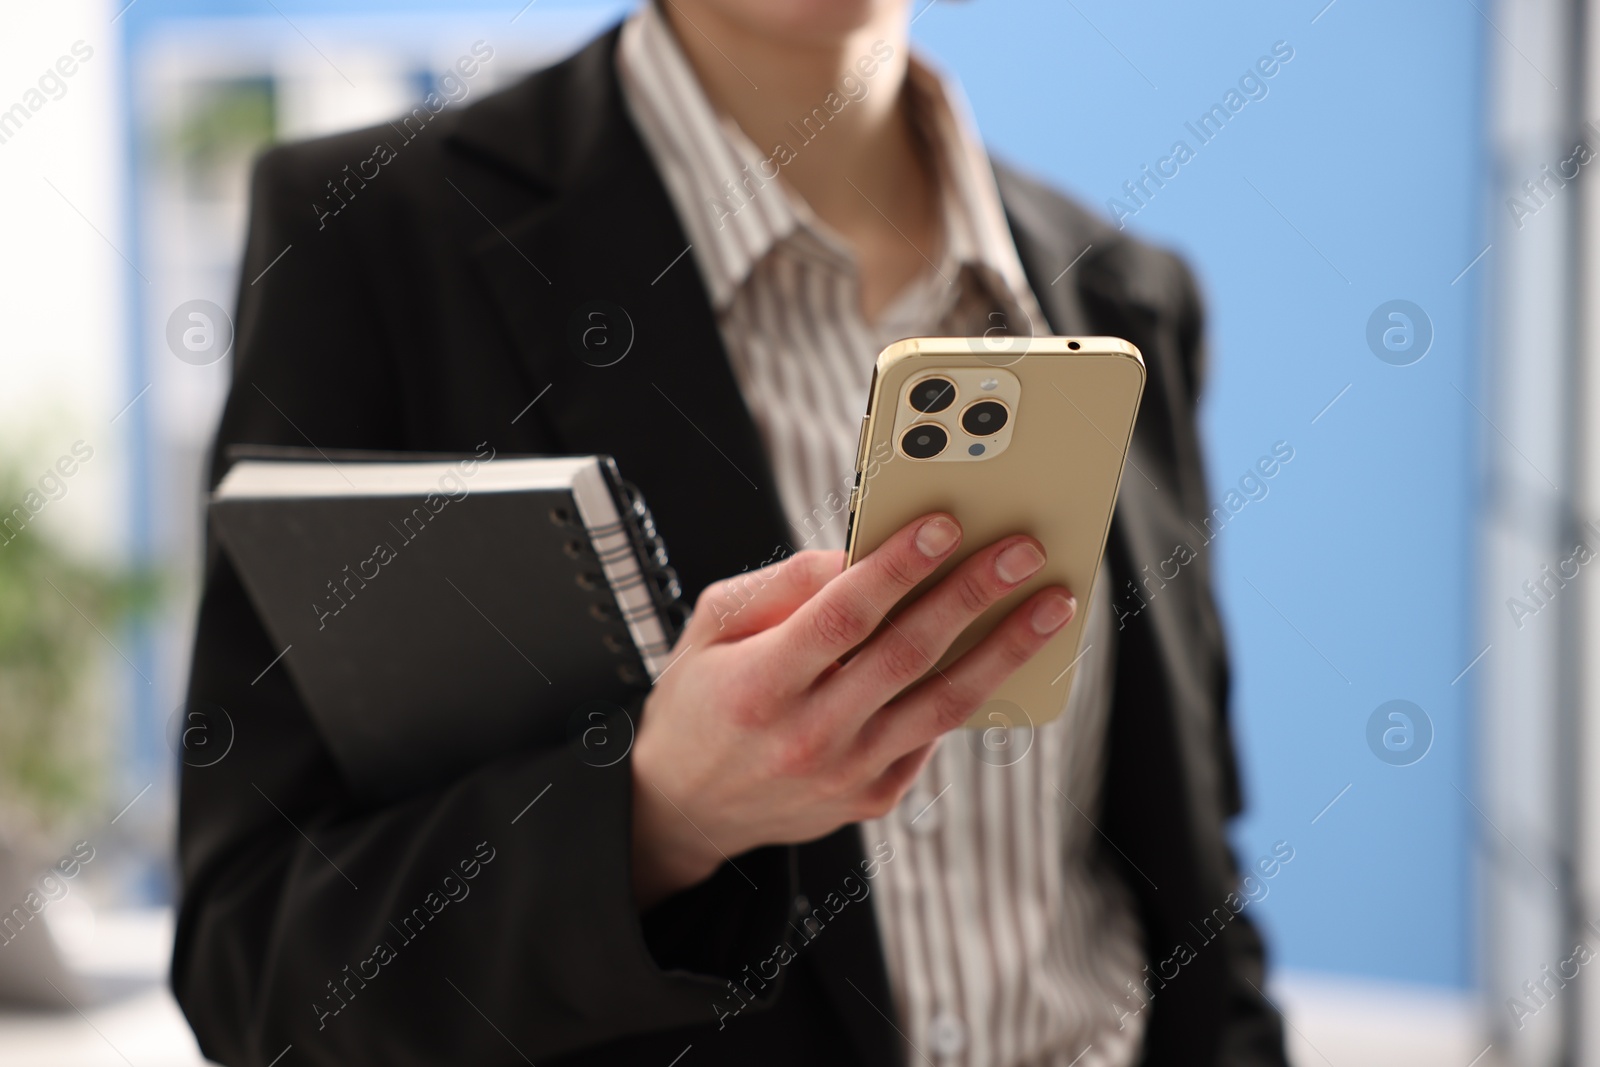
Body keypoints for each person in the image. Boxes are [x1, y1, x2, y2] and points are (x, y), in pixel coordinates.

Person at [173, 1, 1290, 1065]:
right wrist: (657, 815)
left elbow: (1196, 889)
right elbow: (249, 958)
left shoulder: (1123, 296)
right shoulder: (375, 240)